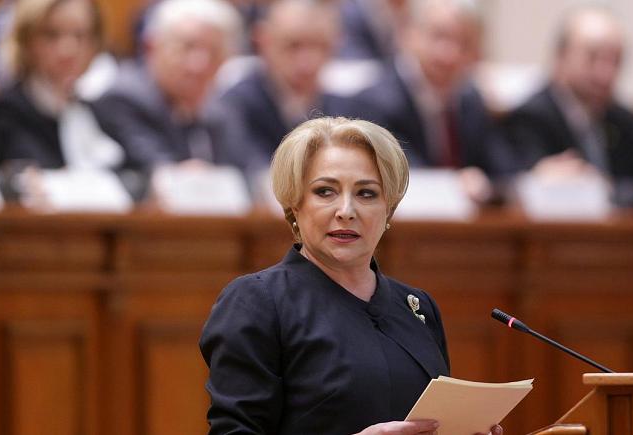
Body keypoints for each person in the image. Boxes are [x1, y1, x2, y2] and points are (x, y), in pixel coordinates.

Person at [200, 116, 504, 435]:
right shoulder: (257, 301)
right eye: (325, 191)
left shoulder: (417, 306)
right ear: (295, 204)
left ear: (389, 208)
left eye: (366, 193)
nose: (346, 210)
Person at [335, 0, 516, 202]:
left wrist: (486, 184)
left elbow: (506, 171)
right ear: (410, 35)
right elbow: (401, 175)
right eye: (440, 36)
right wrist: (455, 184)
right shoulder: (376, 102)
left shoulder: (471, 100)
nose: (450, 53)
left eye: (464, 42)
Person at [504, 5, 633, 206]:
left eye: (616, 60)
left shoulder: (623, 120)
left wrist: (601, 188)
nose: (605, 73)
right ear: (561, 56)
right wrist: (536, 180)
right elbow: (509, 186)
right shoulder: (530, 118)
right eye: (593, 57)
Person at [94, 0, 259, 175]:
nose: (199, 65)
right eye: (187, 47)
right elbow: (155, 169)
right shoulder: (125, 99)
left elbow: (248, 171)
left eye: (213, 51)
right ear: (151, 47)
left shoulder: (222, 111)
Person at [0, 0, 126, 170]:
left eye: (80, 35)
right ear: (26, 42)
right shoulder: (7, 113)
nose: (68, 49)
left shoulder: (98, 108)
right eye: (52, 35)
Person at [218, 0, 342, 167]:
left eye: (320, 46)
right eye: (293, 46)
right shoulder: (236, 106)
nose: (308, 61)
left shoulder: (347, 108)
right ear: (263, 41)